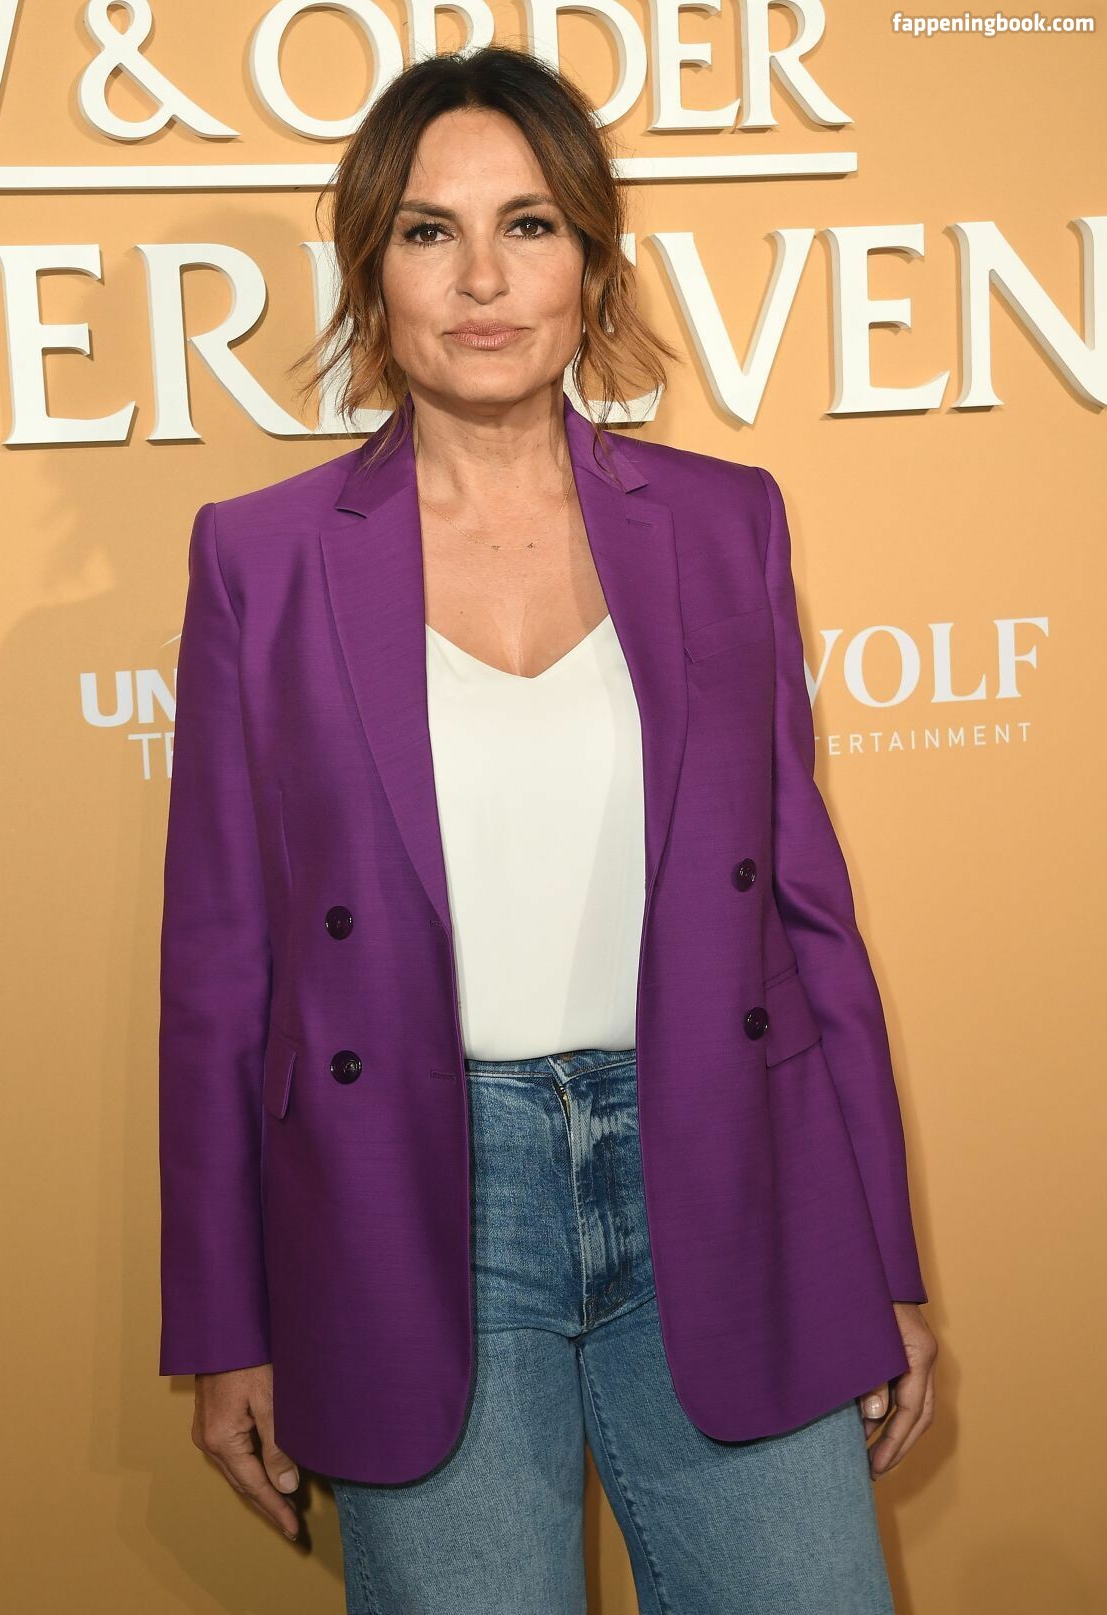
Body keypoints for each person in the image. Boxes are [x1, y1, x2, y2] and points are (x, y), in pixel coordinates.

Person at [158, 43, 937, 1615]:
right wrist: (223, 1320)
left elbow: (806, 913)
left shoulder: (725, 520)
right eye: (428, 232)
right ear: (372, 271)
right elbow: (222, 966)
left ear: (591, 257)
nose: (482, 280)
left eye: (528, 225)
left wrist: (883, 1258)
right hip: (410, 1196)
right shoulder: (264, 558)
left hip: (723, 1164)